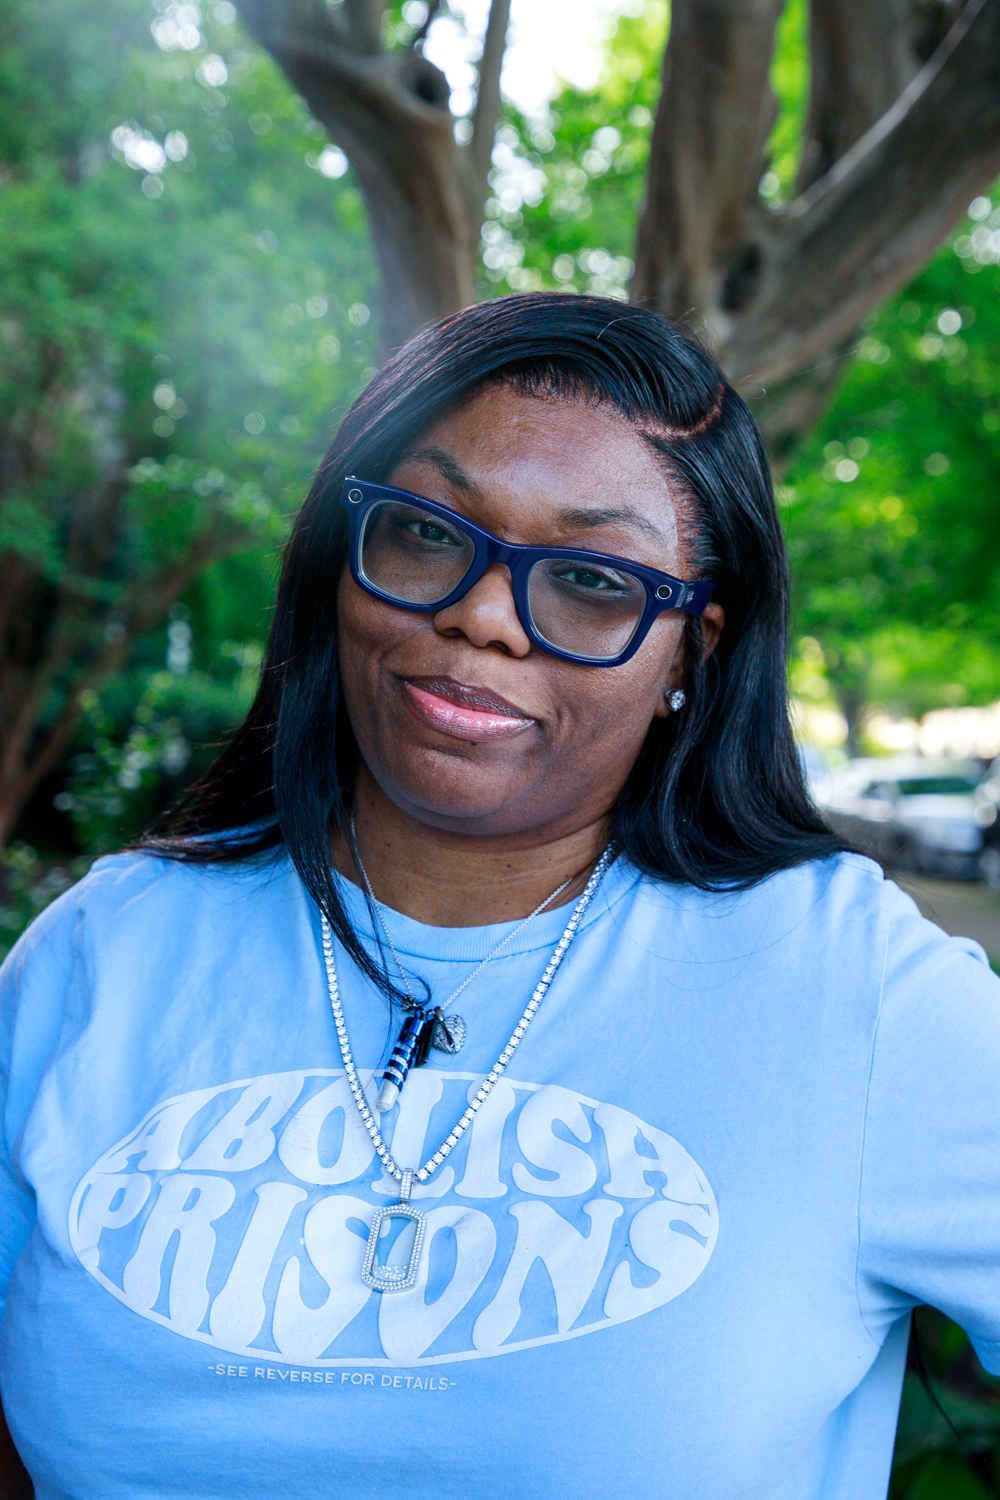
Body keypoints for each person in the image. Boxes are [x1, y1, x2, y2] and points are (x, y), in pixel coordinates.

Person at [1, 293, 998, 1500]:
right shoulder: (102, 957)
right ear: (342, 559)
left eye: (588, 576)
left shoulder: (856, 995)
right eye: (426, 531)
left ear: (695, 647)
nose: (478, 612)